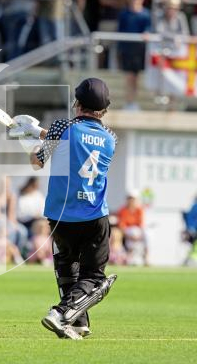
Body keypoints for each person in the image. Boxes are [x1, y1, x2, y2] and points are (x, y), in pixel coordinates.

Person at [10, 77, 118, 340]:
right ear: (103, 110)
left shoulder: (61, 127)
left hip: (60, 217)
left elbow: (37, 161)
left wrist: (31, 140)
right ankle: (61, 314)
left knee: (69, 271)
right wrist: (39, 132)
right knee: (94, 277)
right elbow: (79, 141)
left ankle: (77, 322)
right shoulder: (111, 138)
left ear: (77, 103)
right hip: (93, 216)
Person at [117, 0, 151, 111]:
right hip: (127, 50)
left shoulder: (146, 14)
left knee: (136, 78)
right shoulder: (124, 14)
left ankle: (133, 101)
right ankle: (129, 101)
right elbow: (120, 31)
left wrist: (146, 34)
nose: (135, 1)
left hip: (140, 50)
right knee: (129, 77)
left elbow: (148, 27)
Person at [95, 0, 124, 68]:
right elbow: (103, 1)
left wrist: (110, 1)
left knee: (117, 48)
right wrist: (115, 1)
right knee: (102, 47)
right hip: (105, 21)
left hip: (117, 20)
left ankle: (118, 69)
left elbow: (122, 2)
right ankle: (100, 68)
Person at [116, 191, 148, 266]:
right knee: (132, 233)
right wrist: (129, 235)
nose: (131, 200)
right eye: (130, 198)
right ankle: (129, 257)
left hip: (137, 231)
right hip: (127, 231)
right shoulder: (122, 210)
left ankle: (146, 257)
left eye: (133, 199)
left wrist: (139, 235)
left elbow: (141, 224)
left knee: (147, 234)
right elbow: (122, 225)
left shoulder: (139, 210)